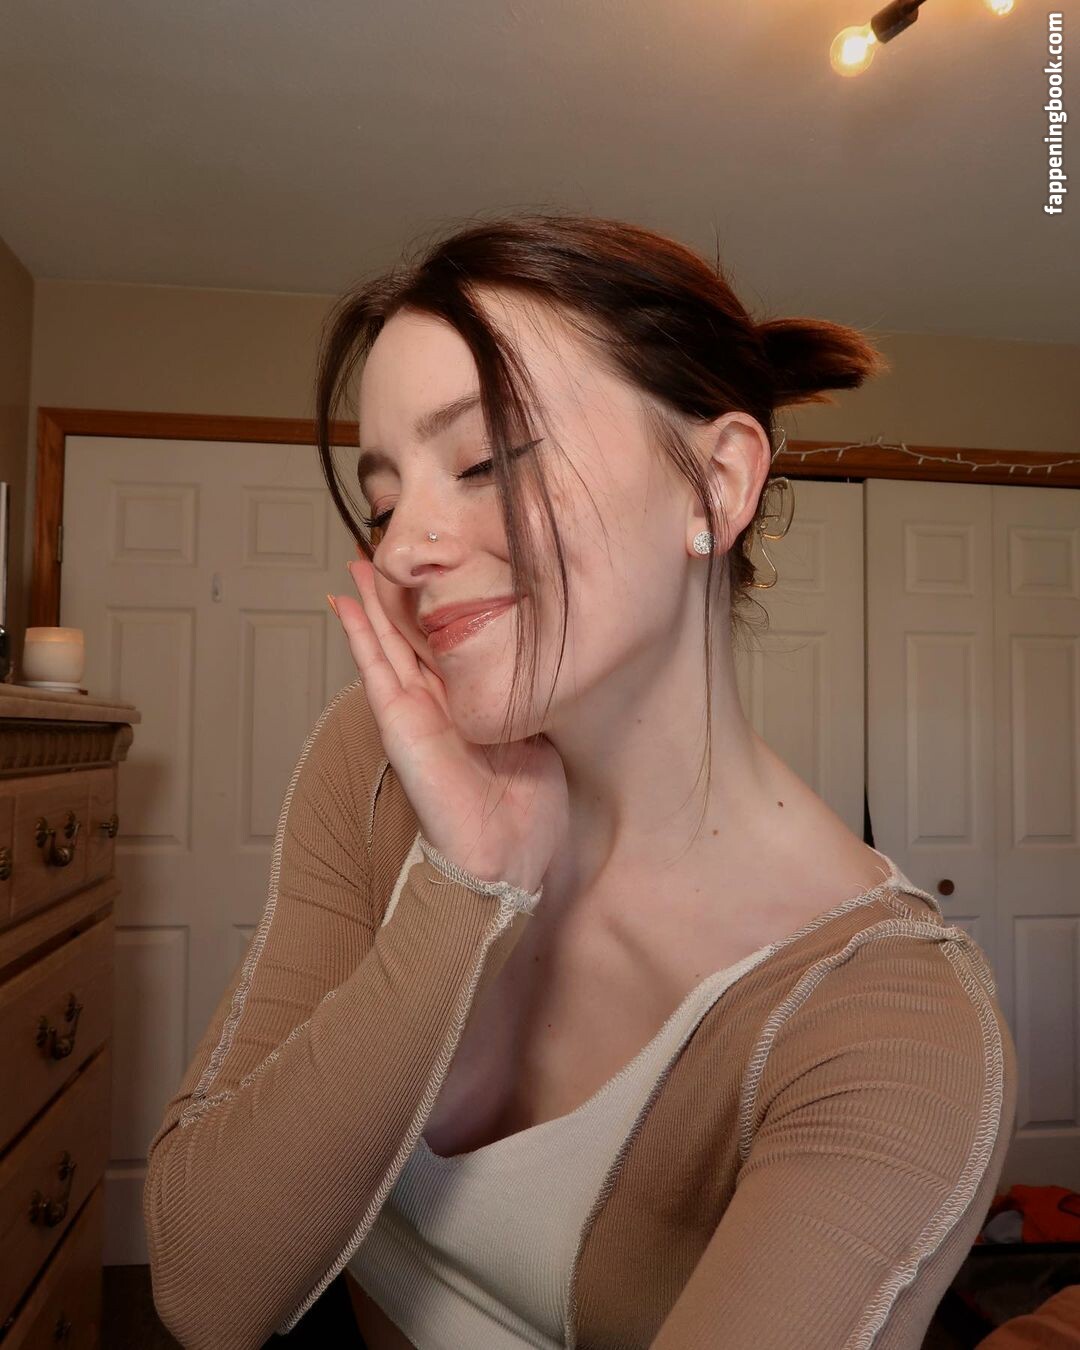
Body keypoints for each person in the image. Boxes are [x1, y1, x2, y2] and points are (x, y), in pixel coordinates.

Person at [143, 211, 1018, 1350]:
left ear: (716, 484)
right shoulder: (382, 761)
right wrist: (465, 889)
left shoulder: (892, 1031)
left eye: (484, 461)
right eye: (385, 501)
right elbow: (207, 1291)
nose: (400, 549)